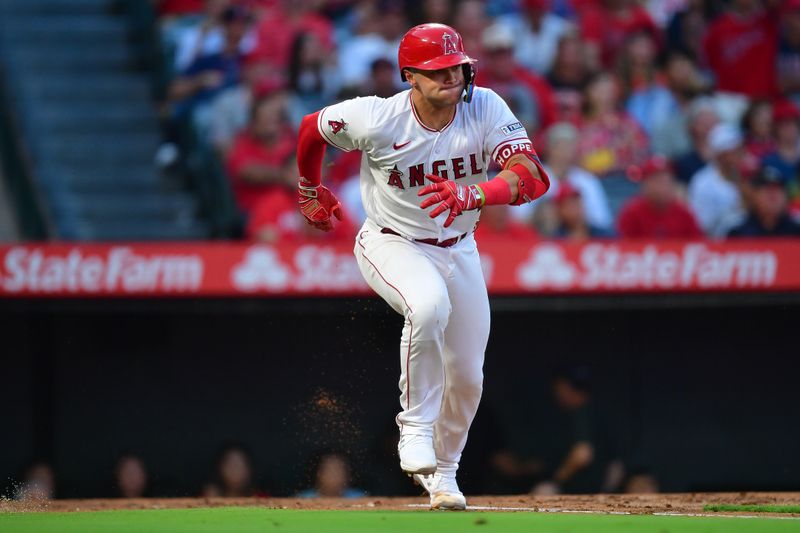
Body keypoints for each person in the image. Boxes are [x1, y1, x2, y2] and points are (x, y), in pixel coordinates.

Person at [294, 23, 550, 510]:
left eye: (457, 66)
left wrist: (477, 193)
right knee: (428, 306)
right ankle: (413, 428)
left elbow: (532, 176)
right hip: (393, 242)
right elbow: (312, 128)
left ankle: (445, 473)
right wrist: (309, 189)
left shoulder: (486, 105)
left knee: (469, 377)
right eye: (437, 70)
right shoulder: (377, 118)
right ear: (410, 75)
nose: (451, 76)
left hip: (459, 246)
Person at [226, 91, 296, 214]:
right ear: (253, 123)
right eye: (264, 120)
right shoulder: (242, 144)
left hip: (293, 209)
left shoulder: (292, 140)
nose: (269, 125)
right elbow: (248, 173)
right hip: (256, 211)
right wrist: (288, 175)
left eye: (273, 119)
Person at [702, 0, 778, 99]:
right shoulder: (716, 30)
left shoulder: (770, 20)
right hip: (731, 101)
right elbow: (709, 67)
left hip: (765, 98)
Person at [617, 156, 703, 239]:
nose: (662, 186)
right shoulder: (631, 212)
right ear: (645, 184)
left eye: (666, 180)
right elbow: (622, 245)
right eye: (656, 180)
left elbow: (698, 245)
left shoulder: (684, 213)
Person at [688, 122, 747, 237]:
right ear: (721, 154)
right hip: (716, 244)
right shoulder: (702, 182)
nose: (740, 154)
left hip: (748, 243)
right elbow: (701, 225)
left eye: (739, 149)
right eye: (733, 151)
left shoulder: (747, 175)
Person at [727, 166, 800, 237]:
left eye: (778, 190)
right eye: (767, 190)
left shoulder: (796, 232)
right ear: (754, 196)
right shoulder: (738, 232)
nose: (773, 195)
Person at [297, 453, 366, 498]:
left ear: (348, 475)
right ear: (319, 474)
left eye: (339, 470)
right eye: (329, 470)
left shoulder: (360, 499)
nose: (334, 475)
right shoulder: (303, 499)